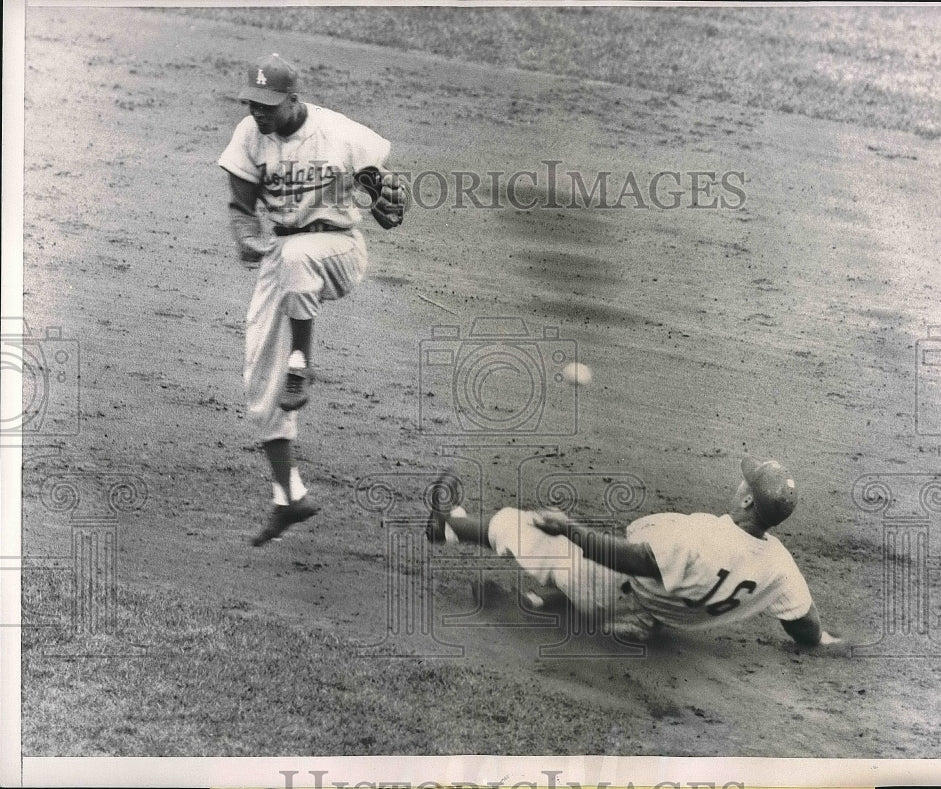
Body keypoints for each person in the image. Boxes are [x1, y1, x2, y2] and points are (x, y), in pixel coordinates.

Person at [218, 53, 407, 546]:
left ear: (294, 100)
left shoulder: (338, 134)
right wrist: (246, 239)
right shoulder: (248, 136)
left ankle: (304, 357)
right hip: (283, 261)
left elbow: (383, 203)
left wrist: (389, 203)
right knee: (261, 381)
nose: (259, 113)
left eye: (269, 105)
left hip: (340, 250)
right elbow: (241, 211)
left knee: (299, 255)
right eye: (253, 103)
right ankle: (288, 496)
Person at [426, 456, 843, 647]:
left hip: (618, 587)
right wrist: (826, 643)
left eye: (746, 485)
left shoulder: (701, 542)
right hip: (652, 616)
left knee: (527, 530)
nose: (740, 485)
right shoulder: (781, 567)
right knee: (581, 586)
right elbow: (805, 625)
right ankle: (534, 604)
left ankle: (448, 526)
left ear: (749, 502)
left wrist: (570, 529)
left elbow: (632, 559)